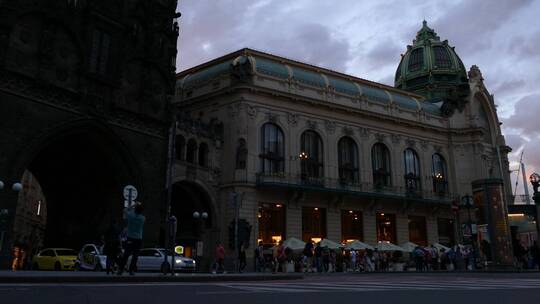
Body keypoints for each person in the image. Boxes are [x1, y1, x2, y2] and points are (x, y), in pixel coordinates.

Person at [117, 203, 145, 275]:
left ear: (135, 210)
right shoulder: (142, 218)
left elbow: (125, 210)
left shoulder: (130, 216)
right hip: (138, 239)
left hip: (130, 238)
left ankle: (120, 269)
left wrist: (133, 205)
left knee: (126, 254)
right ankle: (131, 270)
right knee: (135, 256)